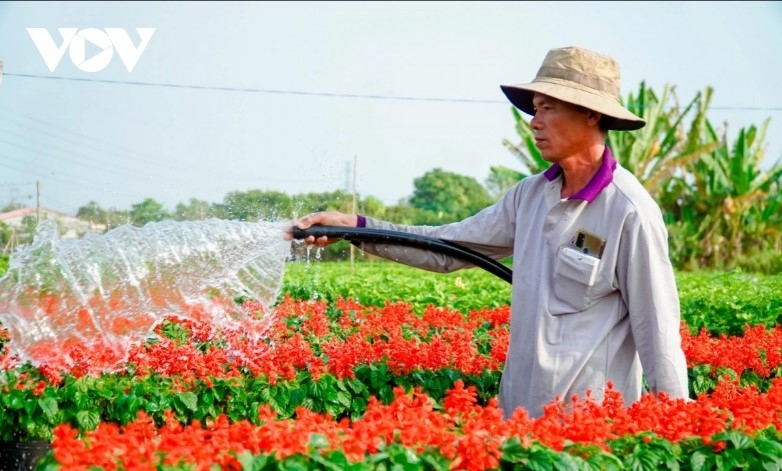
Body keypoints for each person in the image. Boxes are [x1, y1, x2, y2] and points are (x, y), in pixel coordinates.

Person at [286, 46, 690, 419]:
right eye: (535, 109)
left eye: (548, 108)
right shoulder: (530, 197)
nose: (535, 122)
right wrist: (356, 228)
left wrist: (674, 428)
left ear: (591, 114)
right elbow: (447, 248)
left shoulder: (629, 212)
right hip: (517, 422)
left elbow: (658, 333)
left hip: (590, 432)